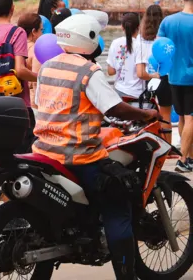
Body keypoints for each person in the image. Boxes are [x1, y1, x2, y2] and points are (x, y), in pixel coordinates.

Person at [33, 14, 156, 280]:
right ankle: (126, 275)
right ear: (89, 40)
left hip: (43, 151)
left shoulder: (48, 66)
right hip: (79, 156)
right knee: (118, 204)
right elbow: (113, 107)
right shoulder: (88, 71)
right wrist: (145, 115)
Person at [160, 0, 193, 171]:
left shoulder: (168, 21)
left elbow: (159, 47)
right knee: (191, 119)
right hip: (191, 78)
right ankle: (182, 159)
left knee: (181, 117)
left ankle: (190, 158)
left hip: (173, 76)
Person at [135, 5, 173, 153]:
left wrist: (152, 76)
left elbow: (140, 71)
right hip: (166, 79)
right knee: (166, 117)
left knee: (152, 118)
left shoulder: (140, 41)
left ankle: (155, 149)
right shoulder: (166, 39)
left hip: (149, 83)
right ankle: (168, 150)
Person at [109, 13, 146, 104]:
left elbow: (111, 71)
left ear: (122, 27)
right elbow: (141, 74)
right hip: (136, 95)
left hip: (119, 93)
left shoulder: (115, 43)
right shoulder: (141, 45)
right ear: (138, 27)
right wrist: (154, 76)